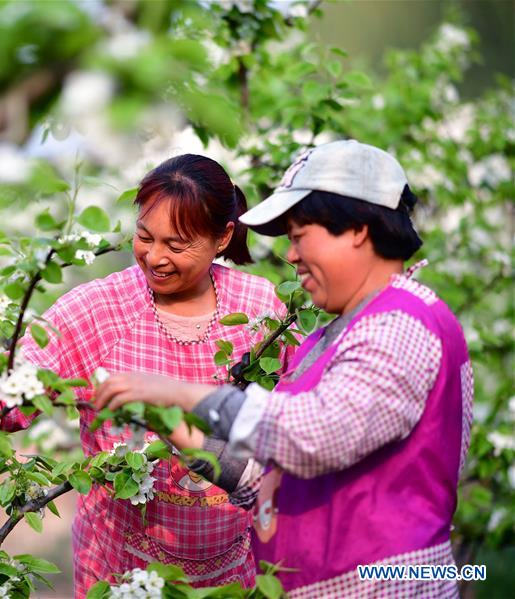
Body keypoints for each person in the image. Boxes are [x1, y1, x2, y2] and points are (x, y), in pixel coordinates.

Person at [95, 140, 474, 598]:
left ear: (356, 229)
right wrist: (165, 420)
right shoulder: (334, 336)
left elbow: (314, 436)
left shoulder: (399, 325)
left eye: (298, 236)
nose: (291, 256)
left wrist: (182, 394)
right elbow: (272, 469)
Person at [0, 155, 292, 596]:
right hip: (120, 571)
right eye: (145, 237)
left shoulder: (263, 310)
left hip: (234, 571)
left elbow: (299, 410)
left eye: (177, 245)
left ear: (222, 237)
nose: (156, 257)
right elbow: (8, 377)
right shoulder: (100, 310)